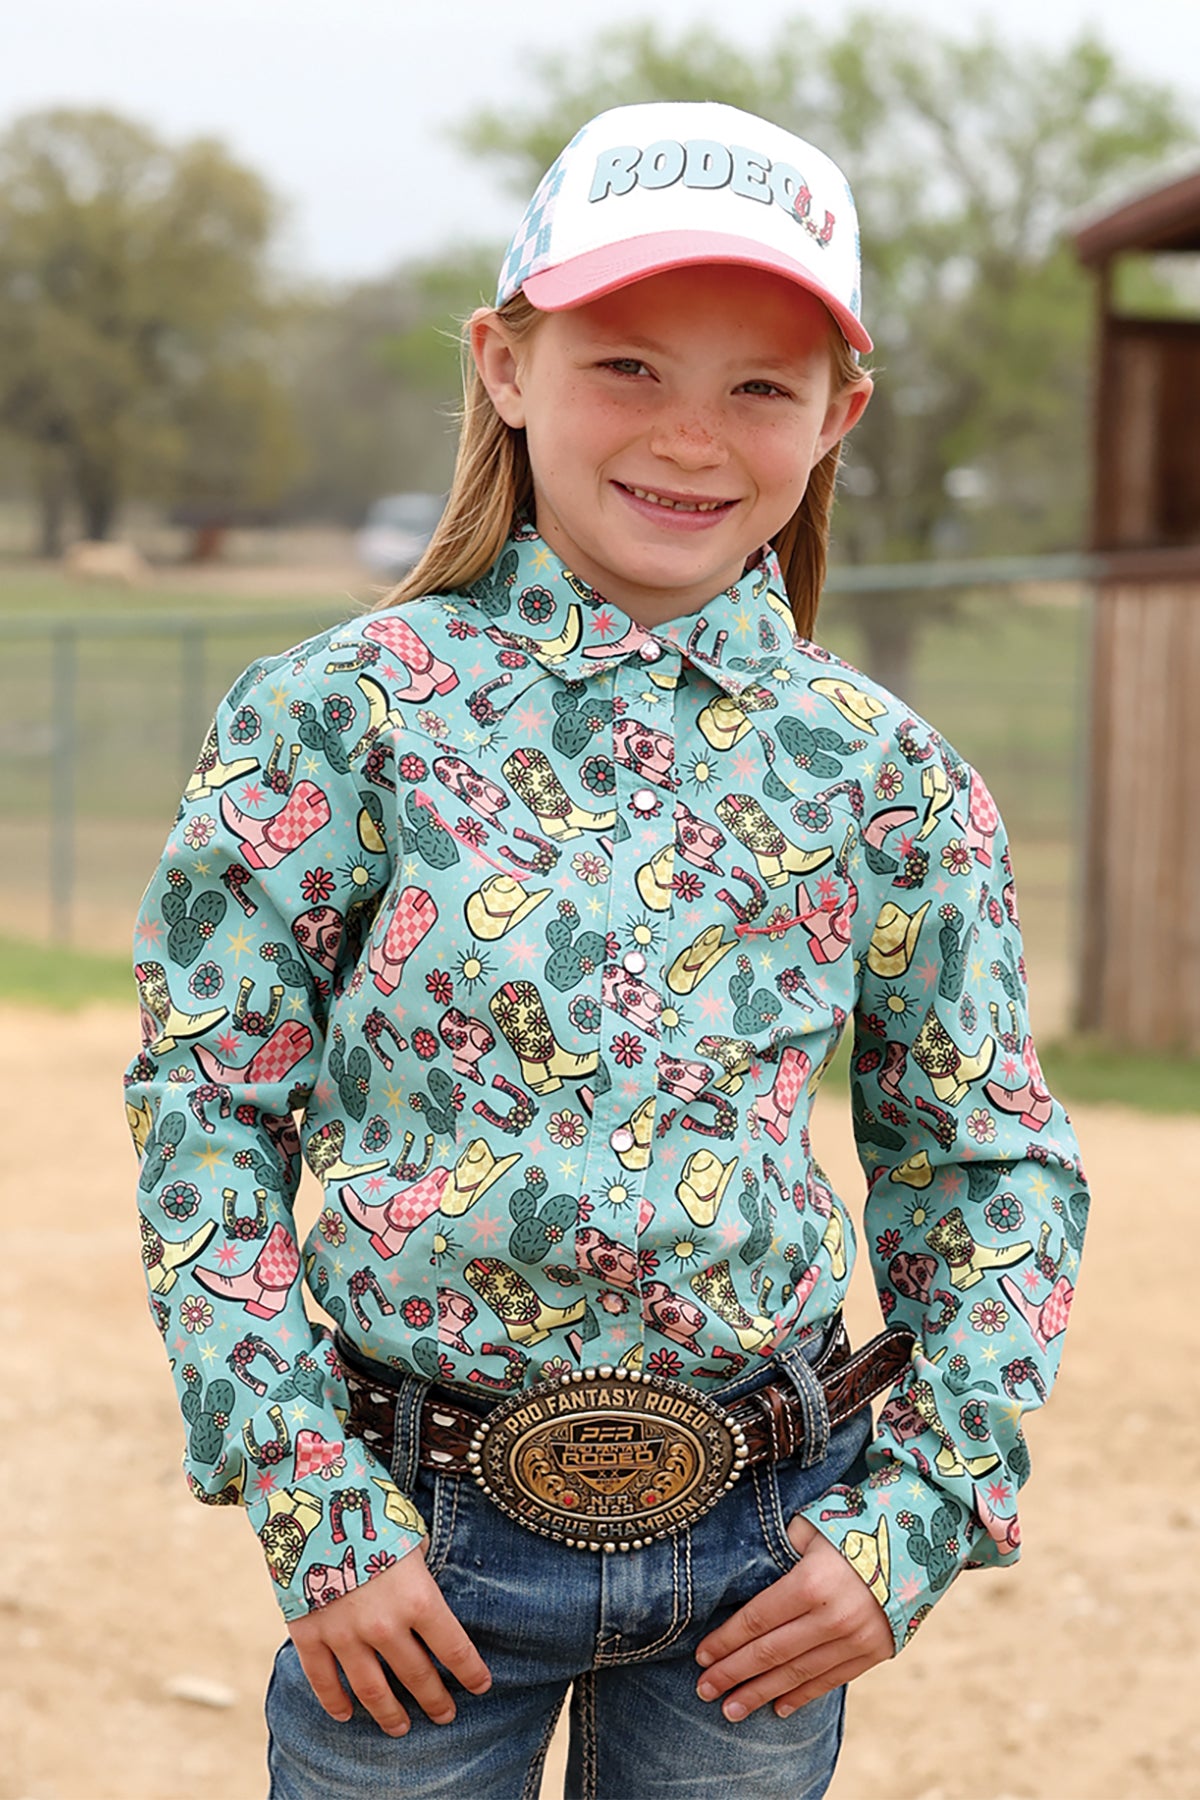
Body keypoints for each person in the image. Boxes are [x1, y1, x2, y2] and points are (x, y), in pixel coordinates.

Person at [126, 100, 1089, 1800]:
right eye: (630, 365)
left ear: (840, 414)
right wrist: (308, 1496)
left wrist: (924, 1513)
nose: (692, 436)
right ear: (507, 363)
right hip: (413, 1559)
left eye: (760, 386)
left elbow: (989, 1160)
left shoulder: (887, 777)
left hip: (761, 1562)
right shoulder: (337, 719)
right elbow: (207, 1118)